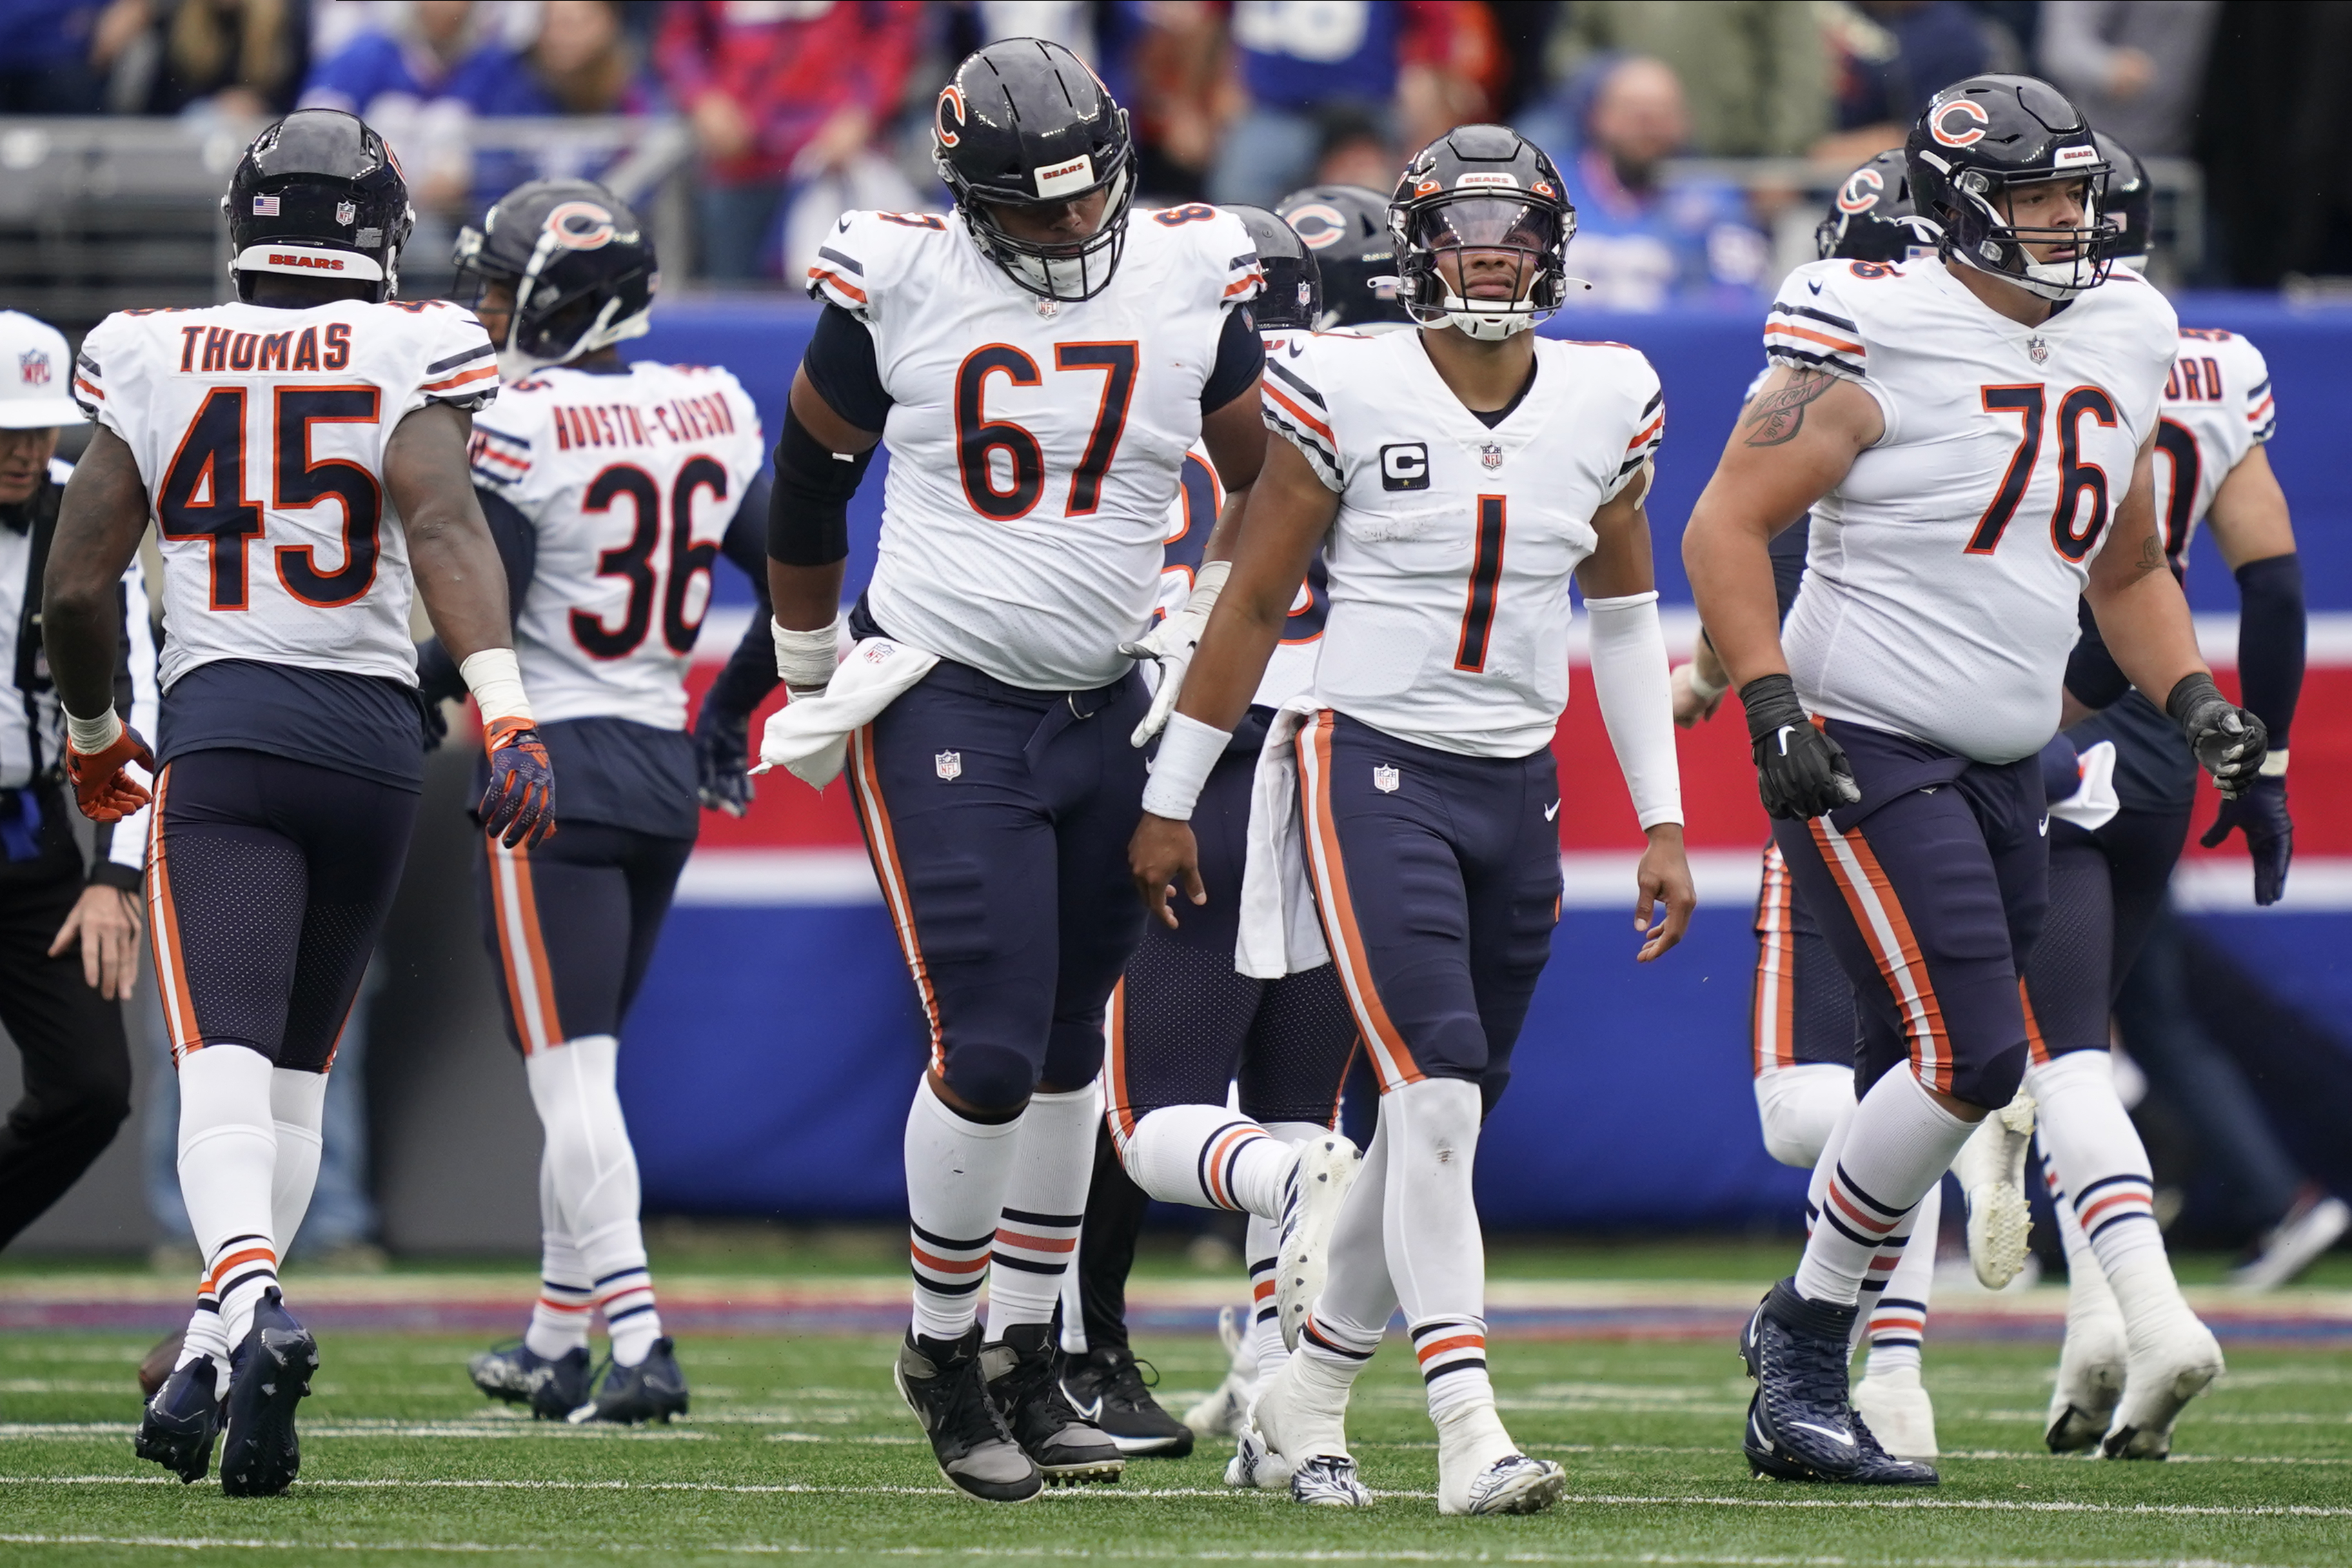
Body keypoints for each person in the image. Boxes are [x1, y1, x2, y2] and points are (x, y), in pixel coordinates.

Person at [1681, 75, 2263, 1487]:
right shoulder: (1872, 326)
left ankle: (1837, 1364)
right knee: (1972, 1054)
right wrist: (1767, 707)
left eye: (2076, 195)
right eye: (2032, 201)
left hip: (2012, 752)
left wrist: (2194, 696)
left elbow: (2125, 561)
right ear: (1956, 210)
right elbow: (1725, 521)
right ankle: (1806, 1334)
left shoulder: (2124, 326)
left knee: (1910, 1065)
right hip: (1867, 732)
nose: (2066, 224)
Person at [1129, 124, 1693, 1516]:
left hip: (1520, 779)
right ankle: (1465, 1420)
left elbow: (1623, 618)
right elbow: (1251, 600)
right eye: (1461, 233)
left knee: (1442, 1117)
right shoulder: (1343, 384)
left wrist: (1662, 816)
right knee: (1430, 1085)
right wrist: (1171, 789)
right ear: (1415, 252)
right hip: (1370, 756)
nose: (1488, 257)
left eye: (1512, 232)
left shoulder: (1610, 392)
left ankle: (1309, 1381)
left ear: (1553, 250)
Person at [748, 38, 1269, 1505]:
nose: (1063, 228)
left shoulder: (1182, 268)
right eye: (1027, 209)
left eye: (1080, 197)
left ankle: (1034, 1355)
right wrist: (804, 671)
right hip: (944, 692)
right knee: (981, 1046)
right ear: (965, 195)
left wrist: (1190, 614)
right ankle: (941, 1350)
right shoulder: (895, 276)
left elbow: (1276, 478)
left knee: (1063, 1051)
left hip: (1110, 701)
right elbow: (805, 484)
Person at [49, 107, 555, 1498]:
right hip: (372, 743)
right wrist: (509, 708)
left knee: (216, 1051)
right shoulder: (412, 341)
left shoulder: (149, 347)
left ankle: (249, 1300)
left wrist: (98, 738)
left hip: (227, 730)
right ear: (379, 232)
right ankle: (214, 1345)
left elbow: (80, 585)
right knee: (295, 1071)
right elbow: (446, 523)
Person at [431, 179, 769, 1427]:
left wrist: (411, 684)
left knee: (569, 1078)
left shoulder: (516, 421)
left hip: (549, 769)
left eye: (499, 289)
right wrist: (727, 713)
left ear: (551, 303)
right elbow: (799, 582)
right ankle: (552, 1336)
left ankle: (639, 1338)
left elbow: (488, 607)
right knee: (591, 1067)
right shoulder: (711, 406)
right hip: (659, 765)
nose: (481, 308)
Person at [1047, 201, 1372, 1462]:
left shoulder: (1141, 384)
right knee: (1296, 1096)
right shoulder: (1384, 401)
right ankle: (1272, 1398)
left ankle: (1083, 1344)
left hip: (1182, 753)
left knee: (1128, 1102)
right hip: (1343, 770)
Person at [2023, 131, 2309, 1449]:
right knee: (2075, 1037)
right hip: (2158, 714)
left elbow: (2082, 576)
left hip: (2028, 702)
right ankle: (2103, 1328)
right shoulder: (2210, 363)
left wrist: (2045, 715)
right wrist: (2259, 755)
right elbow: (2268, 581)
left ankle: (2106, 1319)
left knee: (2004, 1047)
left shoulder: (2027, 344)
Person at [1672, 150, 1950, 1462]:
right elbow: (1747, 534)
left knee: (1950, 1069)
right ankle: (1856, 1340)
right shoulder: (1824, 381)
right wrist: (1722, 678)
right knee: (1846, 1105)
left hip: (1958, 750)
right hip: (1836, 755)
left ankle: (1880, 1366)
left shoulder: (2030, 375)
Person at [0, 310, 152, 1253]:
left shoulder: (85, 514)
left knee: (93, 1090)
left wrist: (116, 875)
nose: (21, 449)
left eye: (36, 425)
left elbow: (137, 695)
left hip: (30, 835)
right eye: (1, 428)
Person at [652, 0, 921, 282]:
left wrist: (863, 109)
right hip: (738, 161)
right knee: (732, 304)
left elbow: (896, 30)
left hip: (831, 161)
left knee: (837, 304)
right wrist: (704, 99)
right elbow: (681, 35)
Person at [1550, 55, 1769, 310]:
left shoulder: (1713, 201)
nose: (1649, 127)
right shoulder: (1551, 188)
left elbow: (1738, 301)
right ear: (1598, 116)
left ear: (1684, 122)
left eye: (1662, 113)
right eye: (1634, 112)